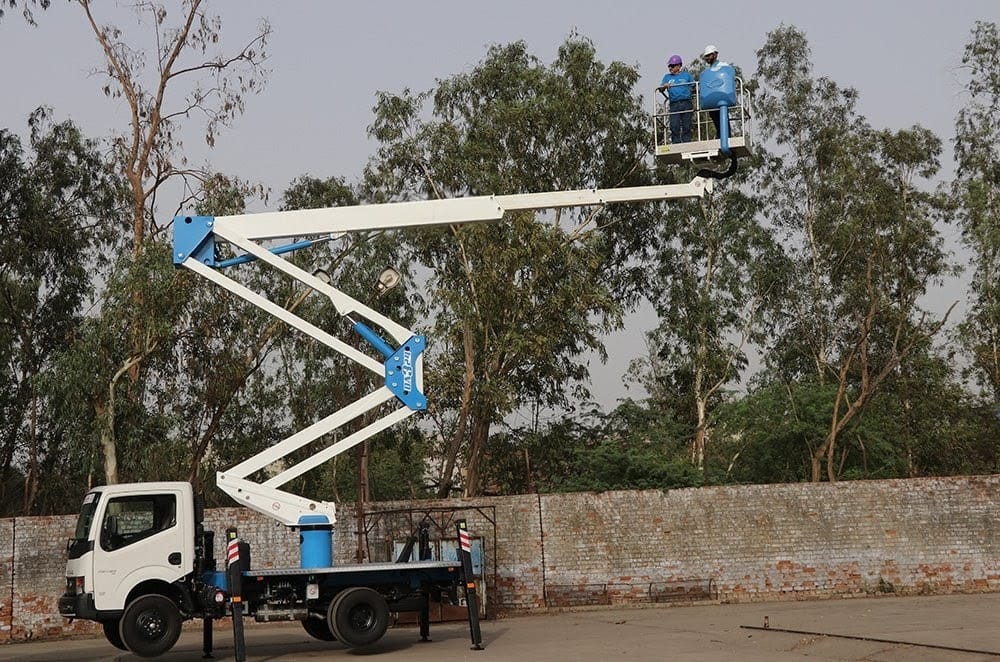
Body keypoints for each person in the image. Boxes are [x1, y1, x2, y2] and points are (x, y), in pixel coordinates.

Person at [656, 54, 694, 144]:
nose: (670, 68)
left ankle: (687, 142)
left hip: (686, 103)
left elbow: (694, 86)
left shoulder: (686, 75)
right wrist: (664, 86)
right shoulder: (667, 77)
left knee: (687, 125)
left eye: (672, 66)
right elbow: (660, 89)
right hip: (674, 104)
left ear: (679, 66)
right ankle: (676, 143)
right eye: (669, 66)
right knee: (674, 125)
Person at [701, 44, 731, 138]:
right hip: (712, 100)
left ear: (715, 54)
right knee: (716, 120)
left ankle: (727, 137)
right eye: (706, 56)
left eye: (709, 55)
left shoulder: (723, 65)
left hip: (722, 98)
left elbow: (729, 75)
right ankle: (720, 136)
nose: (707, 58)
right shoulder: (707, 71)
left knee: (723, 119)